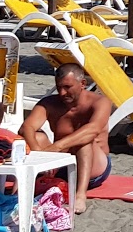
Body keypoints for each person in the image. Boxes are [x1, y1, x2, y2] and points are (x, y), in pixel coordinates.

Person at [21, 62, 112, 213]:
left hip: (95, 167)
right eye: (59, 87)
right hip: (61, 165)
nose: (62, 93)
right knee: (36, 136)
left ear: (83, 83)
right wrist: (39, 155)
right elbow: (26, 127)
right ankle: (31, 178)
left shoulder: (99, 102)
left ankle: (80, 195)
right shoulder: (49, 103)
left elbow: (93, 129)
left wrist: (56, 147)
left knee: (84, 140)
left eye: (67, 87)